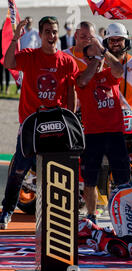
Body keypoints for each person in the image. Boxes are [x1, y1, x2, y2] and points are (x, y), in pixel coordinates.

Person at [0, 16, 79, 229]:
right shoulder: (30, 56)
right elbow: (8, 63)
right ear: (41, 35)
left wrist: (69, 119)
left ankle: (55, 217)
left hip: (56, 127)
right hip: (30, 126)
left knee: (55, 173)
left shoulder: (67, 61)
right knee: (18, 170)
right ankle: (7, 210)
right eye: (47, 32)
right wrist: (15, 38)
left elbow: (71, 92)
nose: (52, 36)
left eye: (54, 31)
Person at [75, 37, 129, 224]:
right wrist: (97, 58)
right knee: (90, 178)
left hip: (114, 132)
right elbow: (84, 81)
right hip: (93, 134)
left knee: (123, 176)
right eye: (91, 58)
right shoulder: (81, 77)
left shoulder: (109, 74)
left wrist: (104, 52)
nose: (96, 61)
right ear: (86, 60)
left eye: (97, 57)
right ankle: (91, 215)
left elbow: (120, 69)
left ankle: (125, 212)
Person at [103, 22, 132, 118]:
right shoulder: (99, 63)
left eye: (119, 39)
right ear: (106, 42)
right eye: (112, 40)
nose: (115, 43)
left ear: (126, 42)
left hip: (130, 117)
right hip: (105, 117)